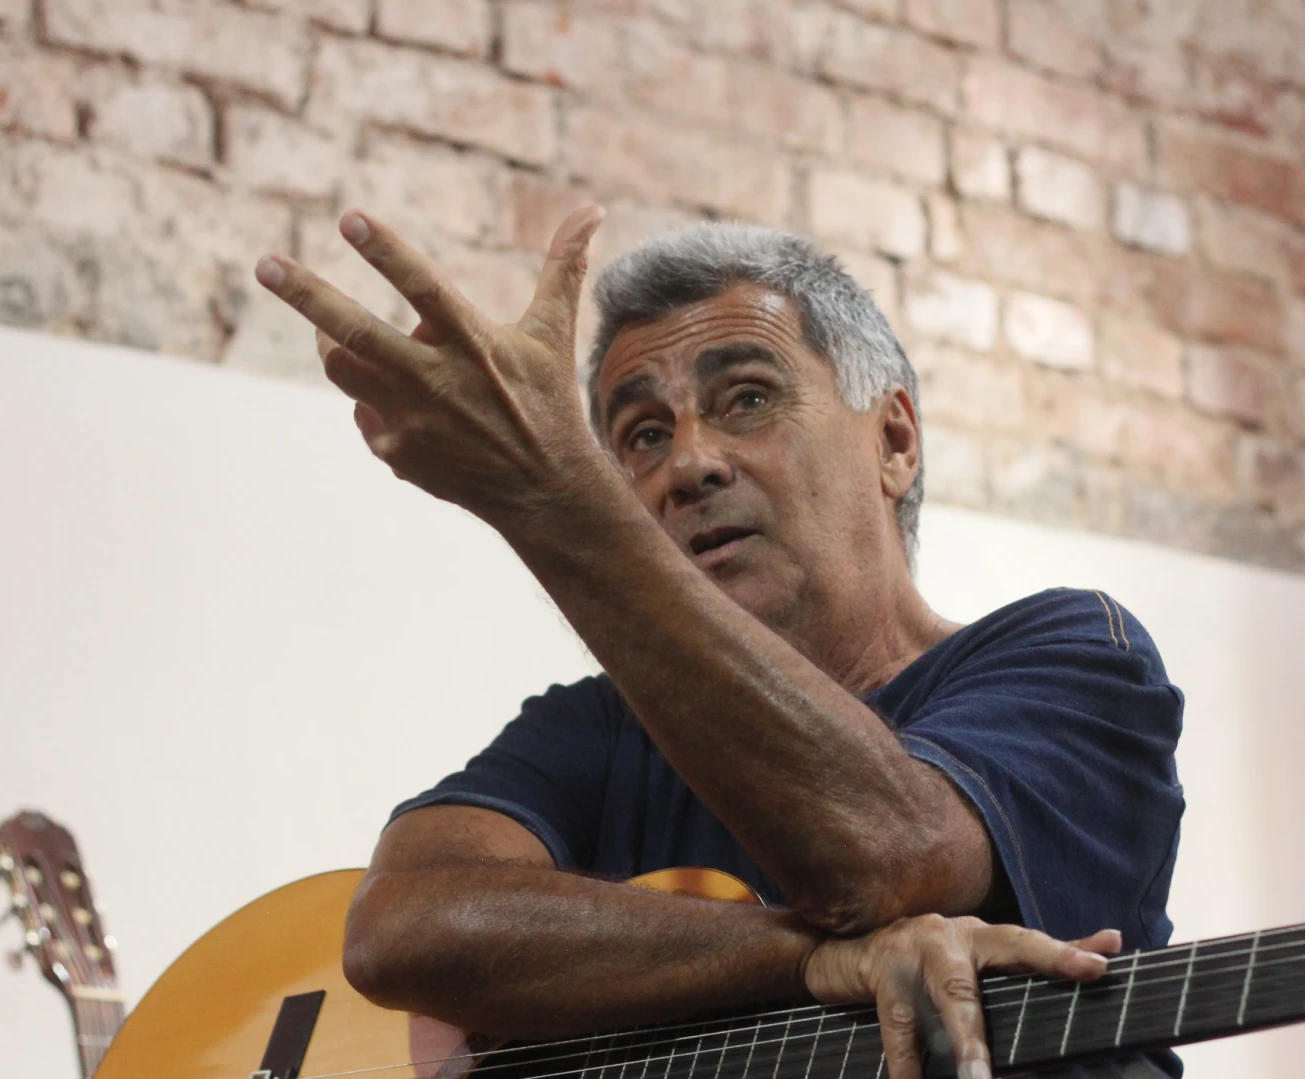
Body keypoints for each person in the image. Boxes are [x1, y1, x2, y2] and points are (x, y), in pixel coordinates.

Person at [252, 206, 1186, 1079]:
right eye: (642, 436)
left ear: (895, 441)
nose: (687, 463)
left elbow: (888, 859)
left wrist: (554, 496)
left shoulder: (1073, 654)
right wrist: (807, 961)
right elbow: (397, 929)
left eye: (746, 398)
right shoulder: (605, 728)